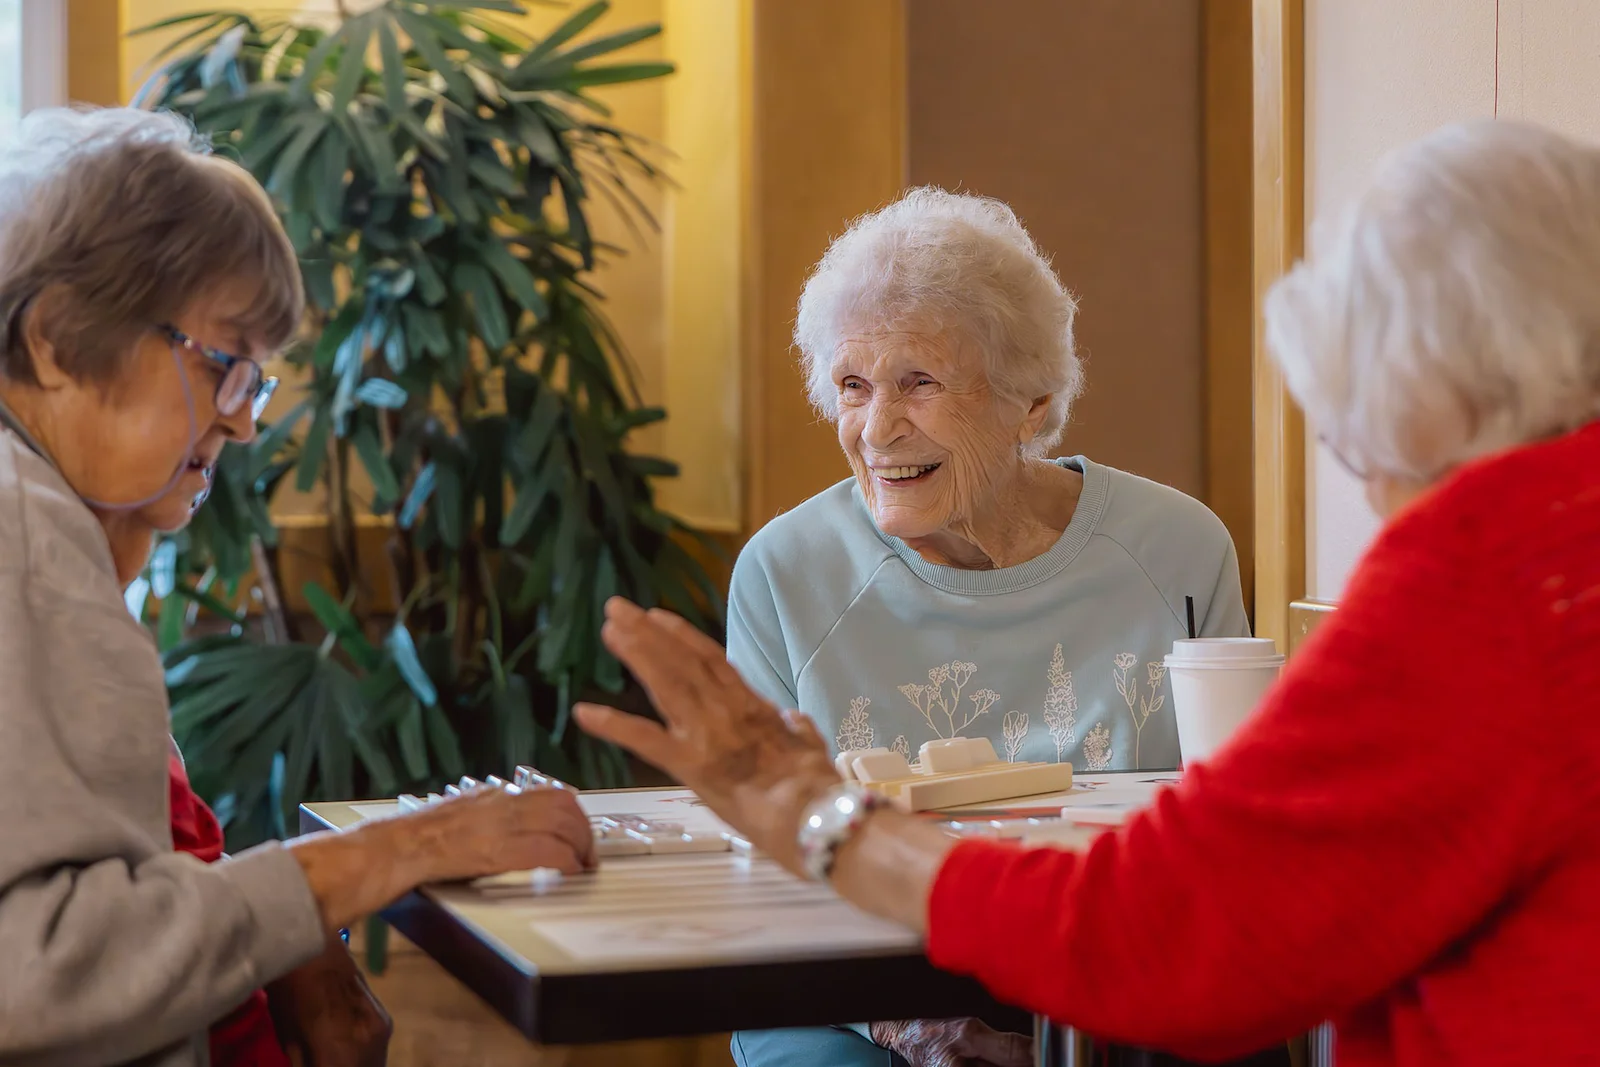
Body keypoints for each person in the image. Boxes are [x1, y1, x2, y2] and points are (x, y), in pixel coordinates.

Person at [576, 117, 1600, 1067]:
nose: (1367, 478)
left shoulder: (1489, 585)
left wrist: (819, 816)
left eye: (1365, 424)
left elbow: (1176, 919)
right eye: (852, 385)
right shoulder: (1540, 565)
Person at [0, 106, 596, 1067]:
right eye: (224, 367)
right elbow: (35, 974)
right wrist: (399, 849)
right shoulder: (22, 539)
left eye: (256, 386)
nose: (240, 426)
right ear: (60, 343)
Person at [724, 187, 1249, 1066]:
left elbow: (1228, 832)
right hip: (855, 997)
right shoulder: (786, 572)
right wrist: (910, 1023)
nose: (877, 427)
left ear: (1030, 403)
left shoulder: (1179, 548)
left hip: (1116, 979)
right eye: (853, 385)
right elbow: (767, 858)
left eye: (920, 382)